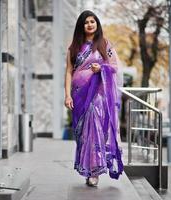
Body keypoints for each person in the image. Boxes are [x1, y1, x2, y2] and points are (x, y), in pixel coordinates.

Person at [64, 10, 123, 187]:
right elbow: (68, 72)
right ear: (81, 26)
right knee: (83, 134)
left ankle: (95, 172)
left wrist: (102, 68)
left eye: (92, 21)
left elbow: (114, 67)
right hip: (78, 94)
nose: (90, 24)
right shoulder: (74, 47)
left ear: (97, 24)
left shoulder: (105, 44)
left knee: (95, 130)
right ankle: (87, 168)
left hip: (97, 94)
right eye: (86, 22)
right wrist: (67, 95)